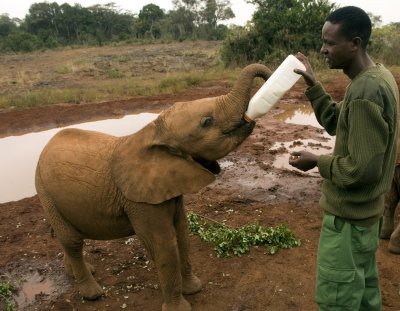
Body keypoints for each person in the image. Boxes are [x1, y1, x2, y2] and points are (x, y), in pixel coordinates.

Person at [288, 6, 399, 311]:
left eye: (330, 42)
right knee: (363, 295)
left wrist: (317, 162)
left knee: (337, 300)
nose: (323, 49)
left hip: (348, 222)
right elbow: (340, 122)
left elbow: (362, 170)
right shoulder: (377, 77)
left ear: (355, 43)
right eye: (323, 41)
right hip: (365, 218)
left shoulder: (365, 91)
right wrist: (314, 85)